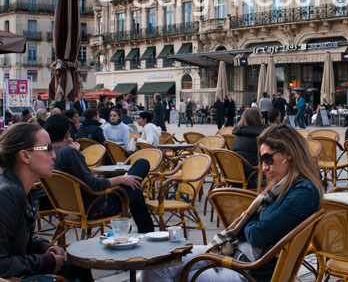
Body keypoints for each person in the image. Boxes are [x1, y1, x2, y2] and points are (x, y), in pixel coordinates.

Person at [139, 123, 323, 282]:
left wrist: (250, 221)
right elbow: (259, 228)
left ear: (288, 153)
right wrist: (255, 221)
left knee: (157, 274)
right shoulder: (284, 187)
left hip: (251, 271)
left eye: (268, 158)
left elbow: (258, 234)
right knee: (156, 265)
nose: (264, 167)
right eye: (262, 160)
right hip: (238, 254)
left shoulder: (303, 192)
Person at [0, 123, 93, 281]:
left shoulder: (23, 191)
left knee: (78, 264)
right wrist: (47, 262)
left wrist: (45, 247)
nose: (54, 155)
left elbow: (18, 240)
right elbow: (2, 264)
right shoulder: (8, 194)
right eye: (48, 148)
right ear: (25, 156)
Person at [44, 115, 154, 234]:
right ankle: (147, 234)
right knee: (140, 170)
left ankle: (146, 233)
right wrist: (121, 179)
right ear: (67, 134)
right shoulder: (69, 153)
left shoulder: (49, 154)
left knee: (133, 185)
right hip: (96, 206)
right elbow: (94, 185)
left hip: (69, 207)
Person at [231, 108, 266, 188]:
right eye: (261, 117)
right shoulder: (260, 137)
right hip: (253, 177)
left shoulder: (237, 134)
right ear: (258, 119)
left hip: (236, 176)